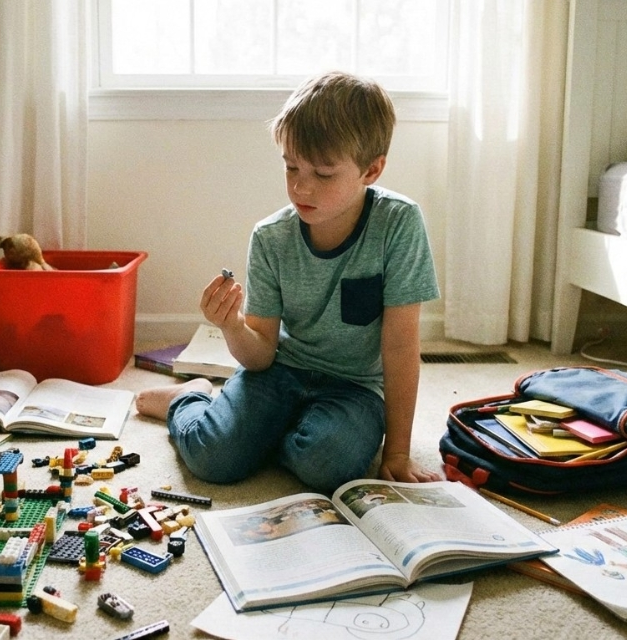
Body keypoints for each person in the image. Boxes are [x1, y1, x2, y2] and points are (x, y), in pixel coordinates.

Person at [136, 71, 443, 494]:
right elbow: (260, 355)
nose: (301, 186)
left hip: (354, 387)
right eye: (291, 166)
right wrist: (231, 325)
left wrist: (397, 453)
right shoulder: (271, 237)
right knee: (213, 457)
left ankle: (263, 432)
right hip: (278, 372)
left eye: (324, 174)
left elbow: (401, 346)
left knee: (329, 465)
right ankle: (189, 398)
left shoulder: (399, 223)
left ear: (371, 171)